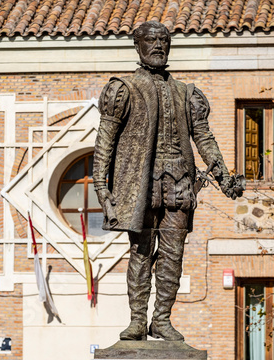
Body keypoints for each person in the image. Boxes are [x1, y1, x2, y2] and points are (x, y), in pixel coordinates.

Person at [93, 21, 244, 342]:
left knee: (174, 254)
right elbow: (105, 139)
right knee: (142, 252)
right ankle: (137, 320)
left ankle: (161, 319)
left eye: (164, 40)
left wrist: (223, 175)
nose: (158, 46)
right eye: (151, 40)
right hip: (140, 183)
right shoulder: (123, 88)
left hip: (179, 183)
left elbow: (204, 137)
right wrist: (100, 185)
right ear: (138, 46)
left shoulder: (186, 93)